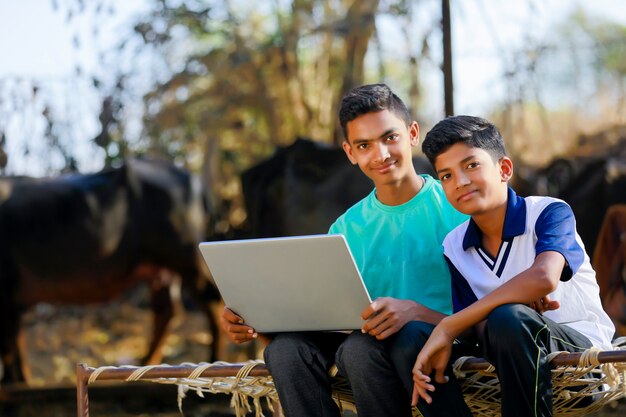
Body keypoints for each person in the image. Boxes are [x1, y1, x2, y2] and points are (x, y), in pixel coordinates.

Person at [221, 83, 472, 417]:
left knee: (359, 350)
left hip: (446, 340)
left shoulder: (457, 205)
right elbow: (329, 316)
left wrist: (414, 311)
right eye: (364, 145)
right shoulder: (345, 229)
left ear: (412, 134)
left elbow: (490, 302)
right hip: (369, 345)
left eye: (390, 137)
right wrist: (254, 320)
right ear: (350, 153)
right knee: (284, 351)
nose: (380, 154)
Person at [412, 115, 615, 417]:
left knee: (510, 318)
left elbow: (544, 277)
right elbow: (477, 328)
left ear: (504, 169)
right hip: (507, 360)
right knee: (413, 336)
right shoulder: (454, 245)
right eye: (446, 176)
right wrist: (513, 303)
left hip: (580, 360)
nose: (461, 182)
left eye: (471, 165)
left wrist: (452, 323)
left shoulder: (548, 212)